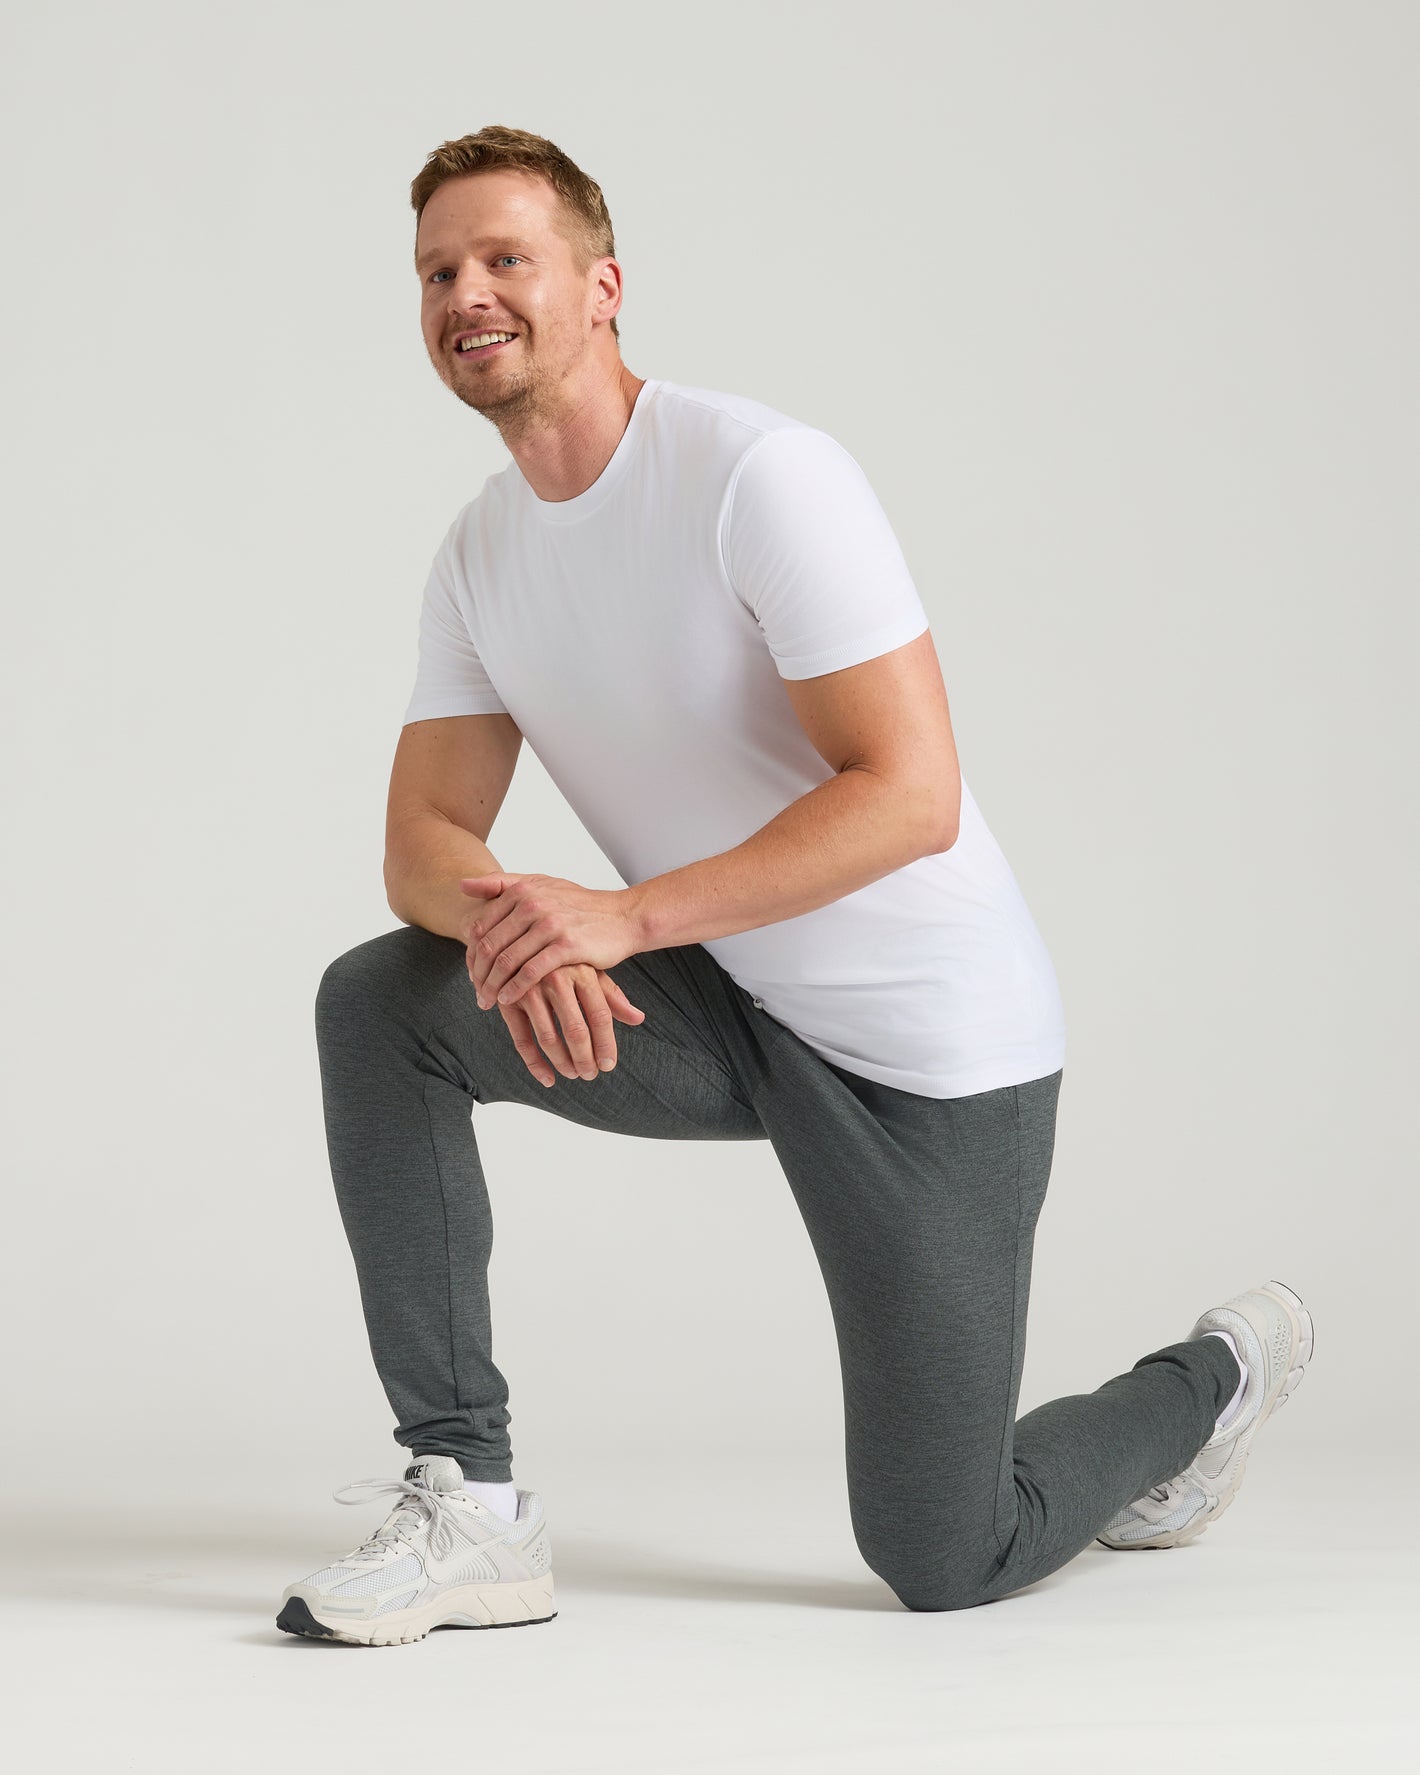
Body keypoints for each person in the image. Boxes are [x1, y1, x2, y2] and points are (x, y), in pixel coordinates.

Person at [276, 126, 1314, 1647]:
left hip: (931, 1057)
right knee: (385, 1001)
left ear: (603, 284)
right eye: (439, 269)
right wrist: (524, 934)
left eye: (507, 258)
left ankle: (1207, 1386)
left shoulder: (758, 476)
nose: (467, 294)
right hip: (731, 1001)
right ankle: (473, 1508)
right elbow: (424, 838)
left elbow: (910, 793)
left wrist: (618, 919)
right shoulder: (480, 558)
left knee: (946, 1550)